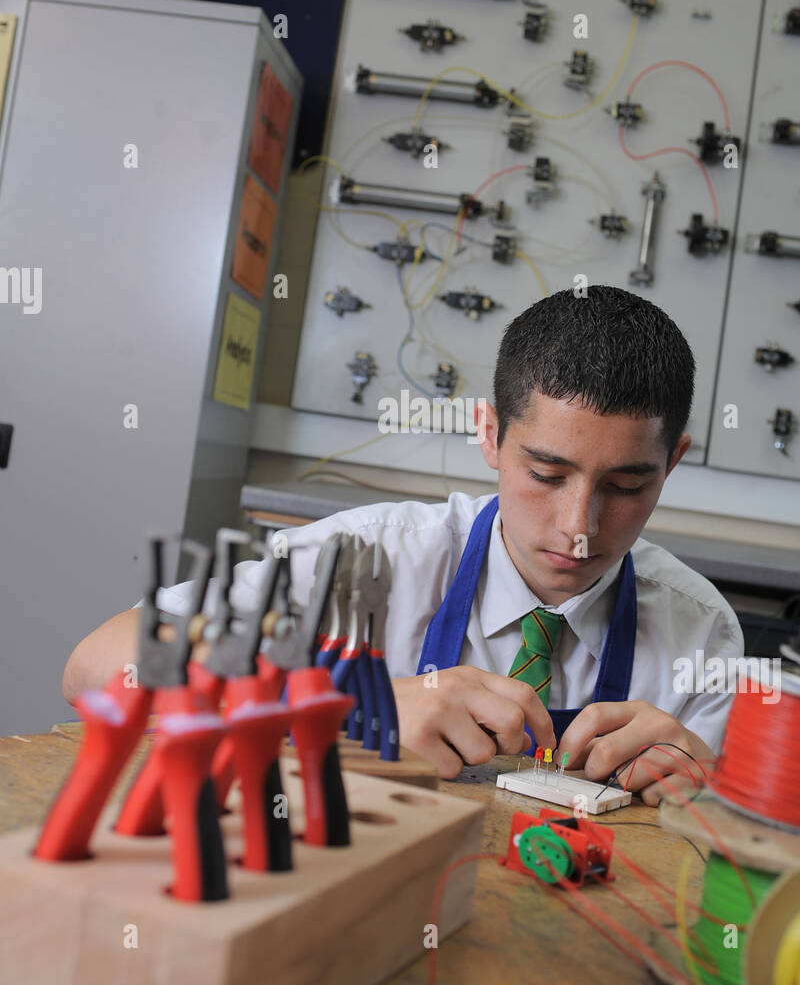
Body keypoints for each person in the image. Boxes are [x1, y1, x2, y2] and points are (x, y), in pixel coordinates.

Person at [63, 285, 743, 803]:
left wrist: (707, 788)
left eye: (626, 485)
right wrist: (353, 706)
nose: (578, 525)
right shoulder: (370, 560)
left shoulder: (699, 632)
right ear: (487, 434)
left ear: (672, 461)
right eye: (545, 474)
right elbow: (98, 665)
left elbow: (719, 845)